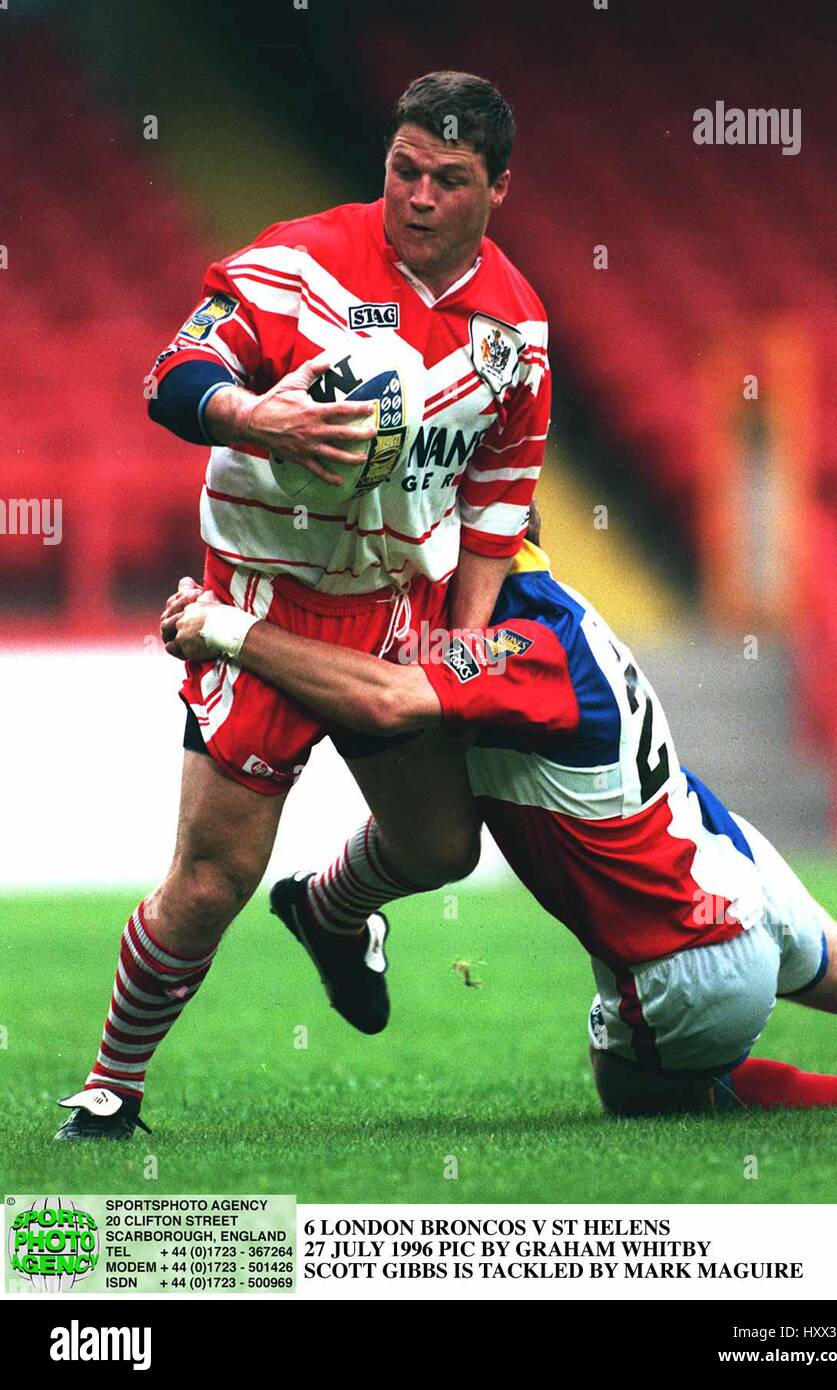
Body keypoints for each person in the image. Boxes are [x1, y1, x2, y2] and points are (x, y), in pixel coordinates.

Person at [54, 72, 550, 1141]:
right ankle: (110, 1087)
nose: (418, 195)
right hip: (262, 608)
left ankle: (329, 912)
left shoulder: (517, 330)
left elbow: (502, 490)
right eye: (404, 169)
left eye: (449, 180)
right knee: (209, 882)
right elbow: (172, 373)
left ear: (498, 188)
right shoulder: (298, 263)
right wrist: (256, 417)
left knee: (441, 851)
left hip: (397, 610)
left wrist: (463, 629)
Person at [156, 508, 837, 1117]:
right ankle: (327, 908)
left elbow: (384, 700)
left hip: (686, 954)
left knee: (634, 1090)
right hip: (731, 864)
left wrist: (231, 630)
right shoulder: (557, 609)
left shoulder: (516, 640)